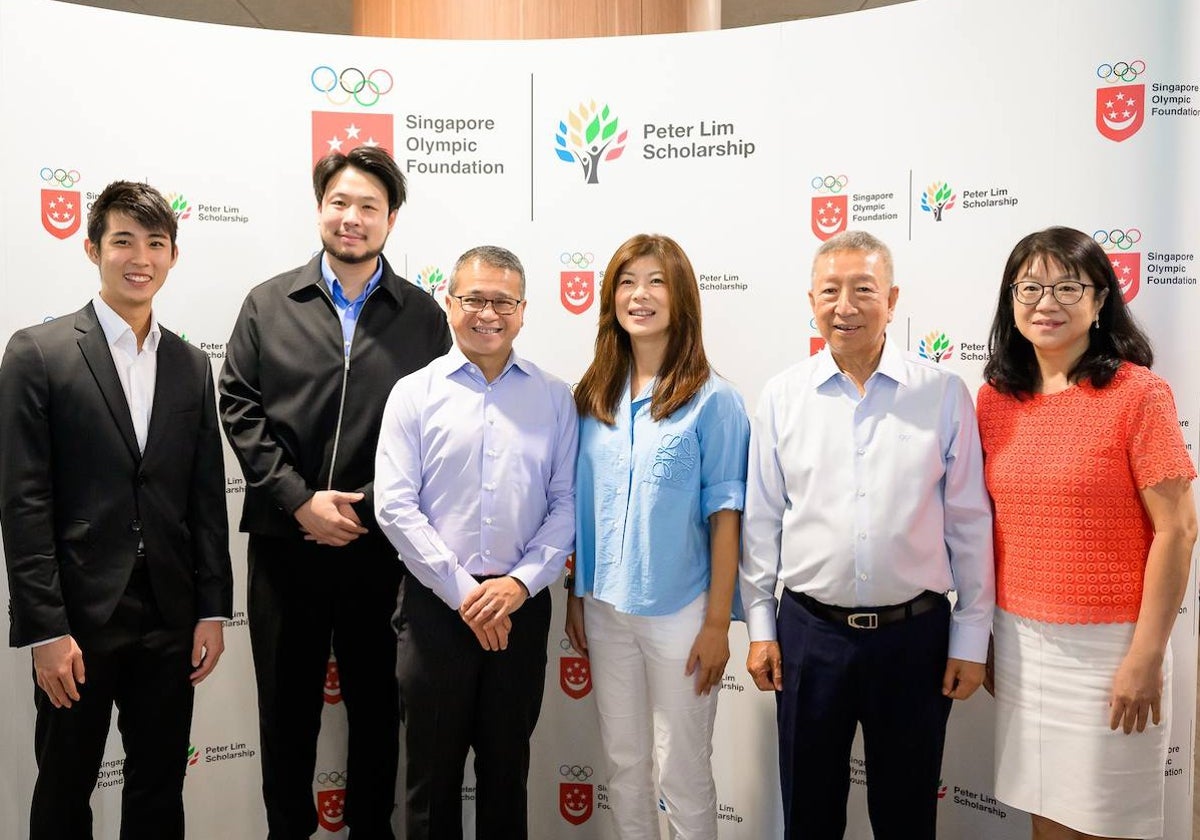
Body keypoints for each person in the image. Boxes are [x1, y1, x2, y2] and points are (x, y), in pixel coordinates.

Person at [219, 146, 450, 840]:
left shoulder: (422, 316)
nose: (352, 219)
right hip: (286, 548)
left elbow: (434, 428)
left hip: (381, 550)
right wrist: (298, 501)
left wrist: (367, 507)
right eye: (340, 203)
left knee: (380, 712)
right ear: (321, 208)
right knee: (287, 714)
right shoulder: (268, 303)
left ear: (391, 219)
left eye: (368, 208)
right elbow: (239, 405)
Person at [740, 230, 994, 840]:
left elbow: (968, 522)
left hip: (916, 639)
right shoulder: (782, 396)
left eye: (863, 290)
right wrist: (760, 627)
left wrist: (972, 638)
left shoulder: (943, 394)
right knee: (809, 813)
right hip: (807, 635)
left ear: (893, 298)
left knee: (907, 815)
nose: (845, 306)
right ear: (811, 299)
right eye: (830, 291)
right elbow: (762, 520)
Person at [0, 180, 232, 840]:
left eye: (155, 243)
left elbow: (204, 496)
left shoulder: (190, 364)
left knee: (159, 788)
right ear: (92, 248)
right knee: (65, 786)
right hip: (75, 617)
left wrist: (212, 607)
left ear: (172, 255)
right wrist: (45, 629)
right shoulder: (37, 352)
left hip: (169, 613)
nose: (140, 257)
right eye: (123, 240)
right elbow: (22, 503)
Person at [977, 226, 1196, 840]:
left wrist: (1146, 656)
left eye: (1067, 286)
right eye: (1030, 287)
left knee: (1104, 824)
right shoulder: (995, 399)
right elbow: (988, 530)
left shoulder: (1139, 394)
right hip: (1020, 640)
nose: (1046, 302)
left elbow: (1177, 531)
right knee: (1045, 817)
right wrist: (986, 638)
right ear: (1010, 302)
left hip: (1112, 650)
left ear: (1101, 301)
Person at [375, 245, 576, 840]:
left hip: (521, 609)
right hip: (436, 609)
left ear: (522, 310)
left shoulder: (553, 397)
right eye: (473, 300)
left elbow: (566, 505)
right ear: (450, 302)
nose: (487, 314)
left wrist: (517, 584)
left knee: (506, 772)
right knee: (429, 782)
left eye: (502, 302)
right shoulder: (413, 393)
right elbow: (394, 505)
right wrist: (465, 592)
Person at [565, 233, 749, 839]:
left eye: (656, 281)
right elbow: (578, 509)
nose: (639, 295)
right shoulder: (593, 396)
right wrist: (574, 597)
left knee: (683, 770)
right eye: (626, 281)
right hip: (604, 608)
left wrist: (718, 625)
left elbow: (727, 518)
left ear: (683, 298)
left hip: (682, 614)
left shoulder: (714, 401)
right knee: (624, 765)